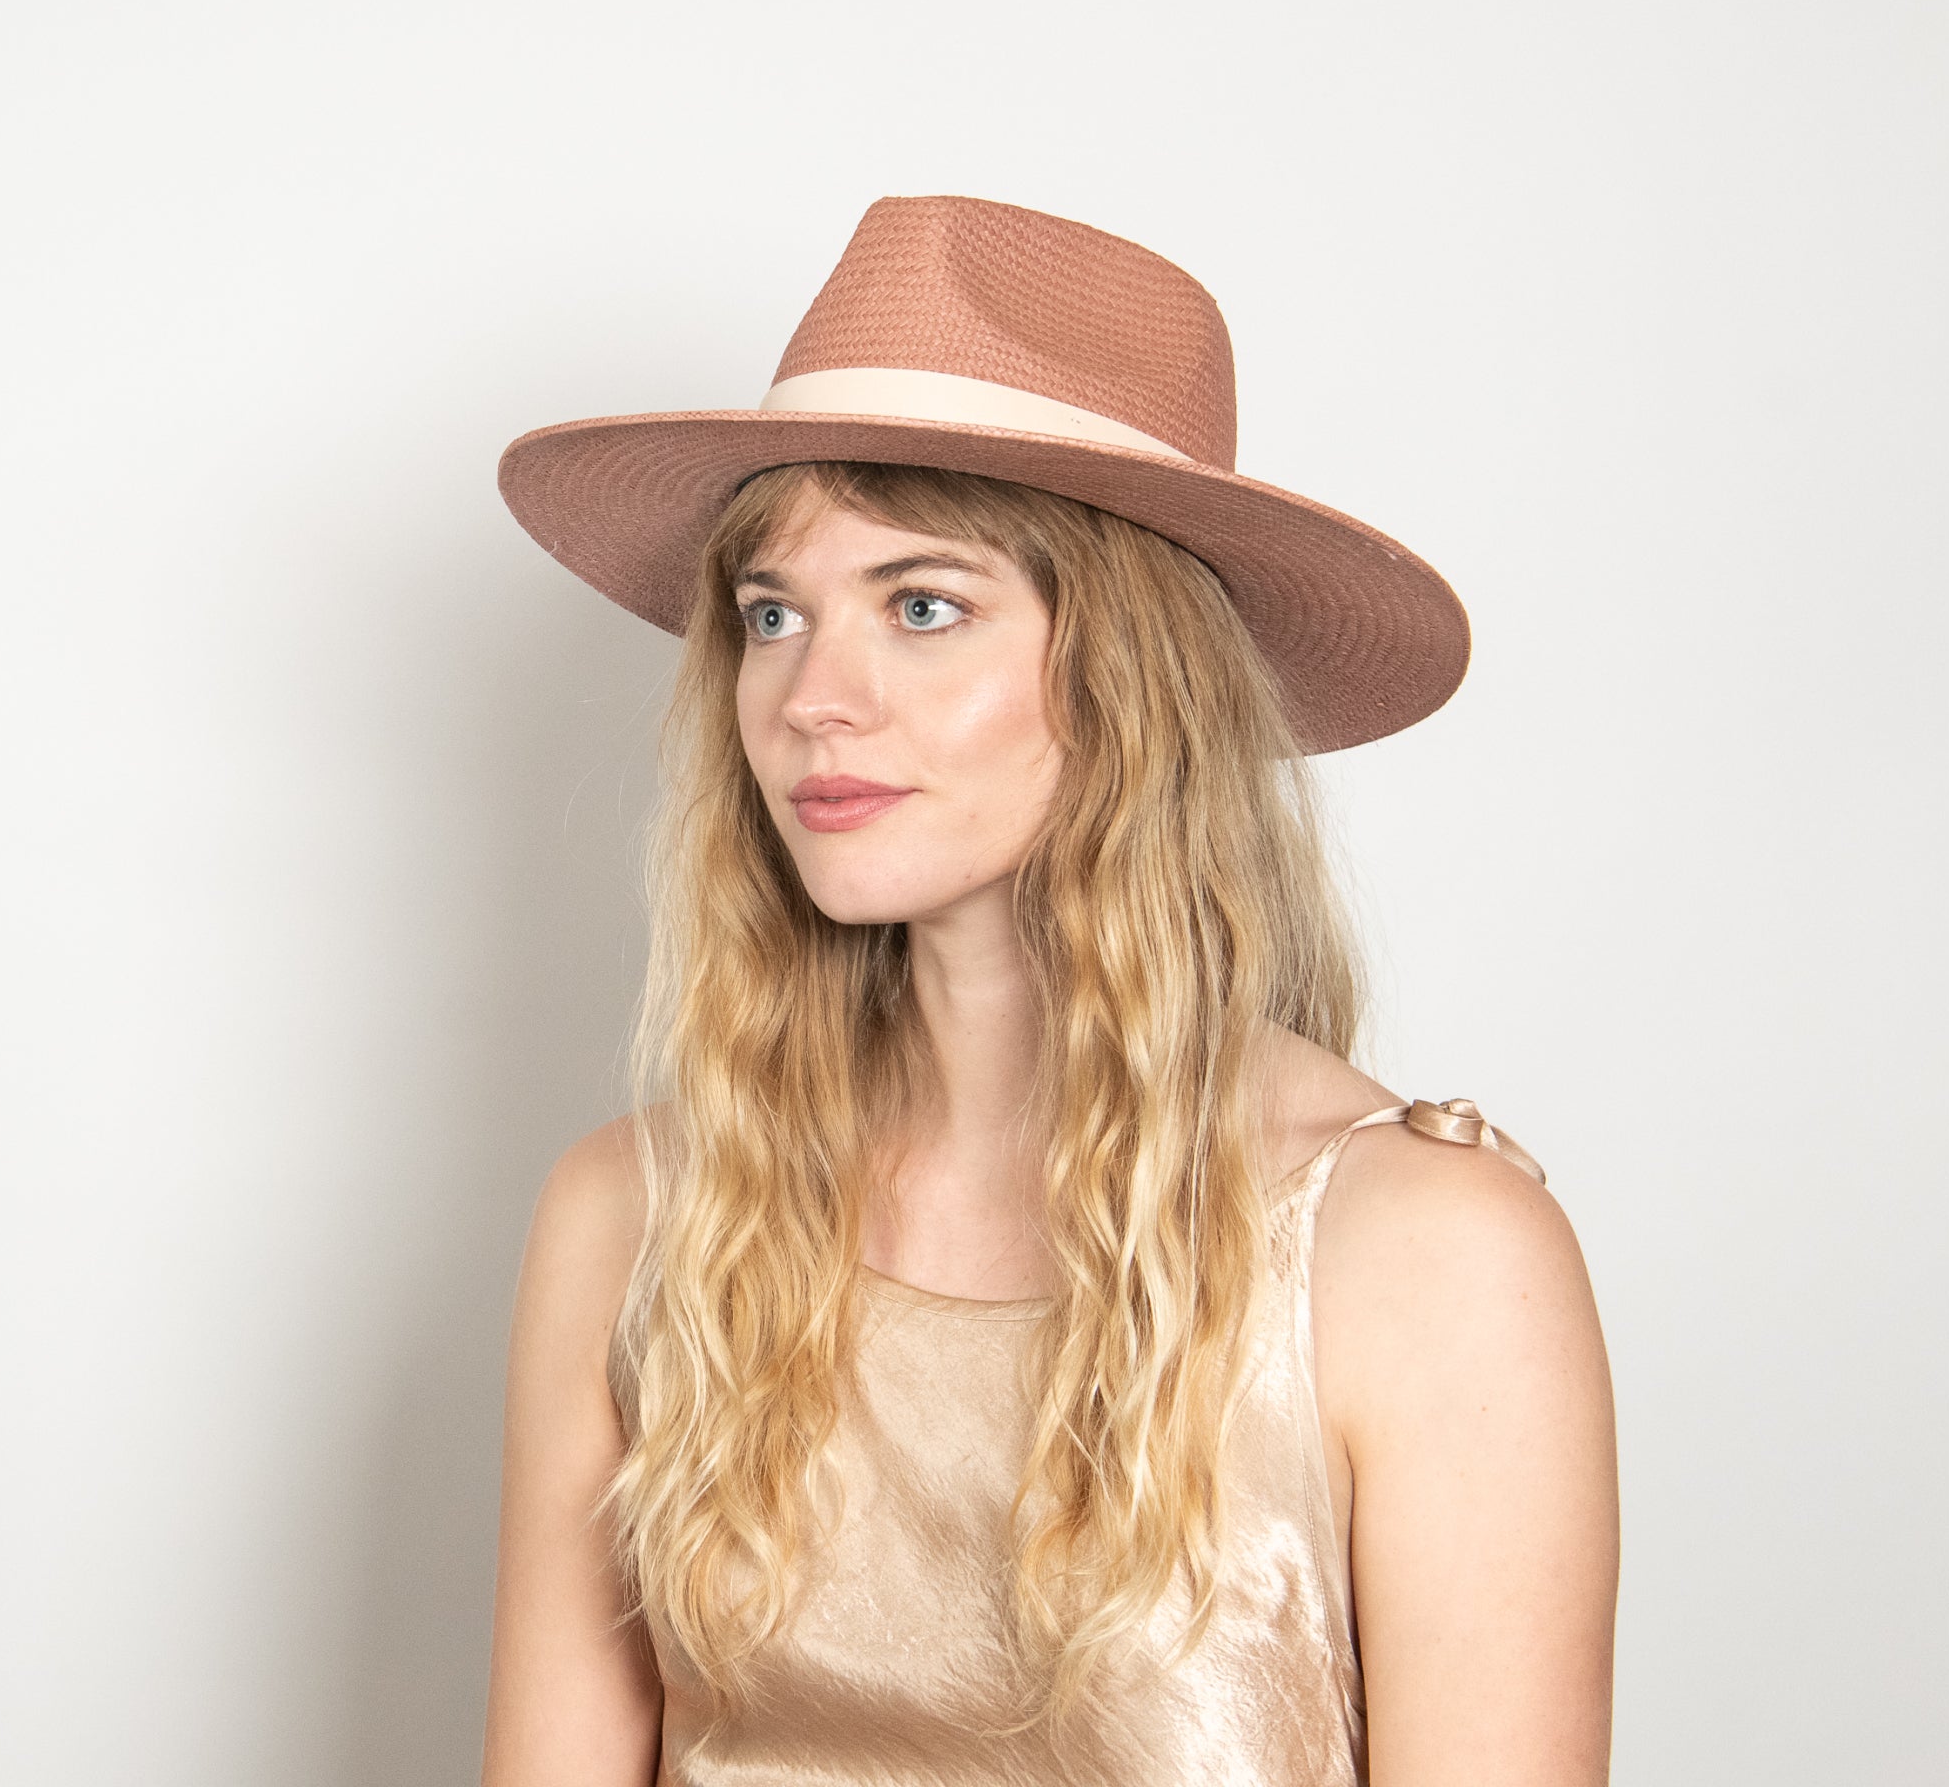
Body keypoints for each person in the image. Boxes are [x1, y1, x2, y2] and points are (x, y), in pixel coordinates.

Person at [479, 195, 1619, 1786]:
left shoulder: (1423, 1255)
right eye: (773, 613)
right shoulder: (647, 1209)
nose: (813, 696)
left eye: (923, 606)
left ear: (1132, 678)